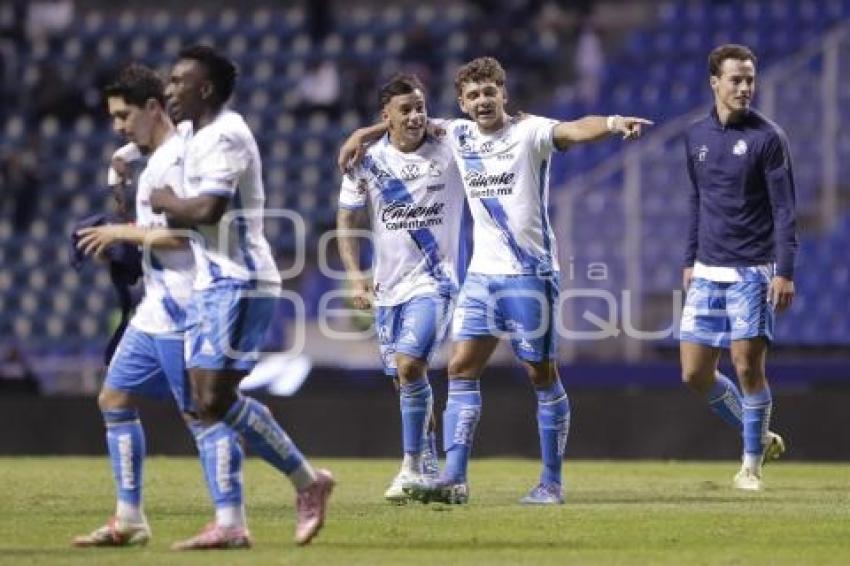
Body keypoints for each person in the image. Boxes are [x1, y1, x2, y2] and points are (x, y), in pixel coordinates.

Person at [340, 56, 651, 505]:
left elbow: (574, 129)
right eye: (473, 95)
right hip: (481, 278)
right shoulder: (457, 134)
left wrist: (613, 122)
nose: (482, 101)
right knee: (460, 369)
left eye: (490, 92)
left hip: (530, 274)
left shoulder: (530, 132)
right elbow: (404, 122)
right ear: (462, 104)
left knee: (541, 375)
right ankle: (453, 478)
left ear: (503, 94)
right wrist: (362, 133)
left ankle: (551, 482)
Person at [149, 45, 334, 547]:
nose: (169, 90)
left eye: (178, 81)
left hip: (241, 280)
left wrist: (167, 200)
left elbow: (208, 209)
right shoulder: (195, 136)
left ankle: (305, 482)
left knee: (213, 398)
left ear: (205, 88)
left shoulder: (227, 134)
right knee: (205, 403)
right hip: (211, 281)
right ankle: (232, 522)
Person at [72, 63, 245, 548]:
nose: (117, 125)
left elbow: (186, 235)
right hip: (156, 306)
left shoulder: (177, 162)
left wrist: (120, 232)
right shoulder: (163, 150)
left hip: (186, 304)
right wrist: (121, 163)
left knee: (202, 415)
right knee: (113, 398)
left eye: (123, 116)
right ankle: (130, 519)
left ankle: (231, 520)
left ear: (152, 108)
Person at [336, 74, 467, 503]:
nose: (415, 116)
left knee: (411, 366)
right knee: (406, 380)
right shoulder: (367, 161)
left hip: (435, 282)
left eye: (420, 108)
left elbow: (485, 125)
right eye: (405, 110)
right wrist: (354, 274)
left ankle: (410, 466)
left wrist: (362, 130)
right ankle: (431, 469)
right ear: (386, 116)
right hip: (387, 289)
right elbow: (347, 218)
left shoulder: (448, 146)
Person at [679, 44, 796, 491]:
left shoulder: (768, 138)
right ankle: (760, 435)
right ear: (715, 82)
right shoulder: (695, 136)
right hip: (707, 270)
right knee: (694, 373)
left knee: (747, 366)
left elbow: (784, 210)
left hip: (752, 270)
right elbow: (697, 200)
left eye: (750, 79)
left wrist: (784, 271)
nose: (745, 87)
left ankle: (750, 465)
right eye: (736, 79)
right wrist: (689, 259)